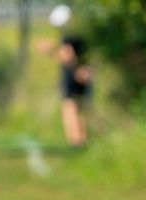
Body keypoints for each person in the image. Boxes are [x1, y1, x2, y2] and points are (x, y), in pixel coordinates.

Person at [49, 4, 91, 147]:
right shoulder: (81, 34)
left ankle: (75, 141)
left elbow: (68, 57)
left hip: (71, 77)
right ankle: (82, 140)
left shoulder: (67, 38)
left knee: (69, 109)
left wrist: (52, 51)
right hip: (83, 77)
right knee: (81, 110)